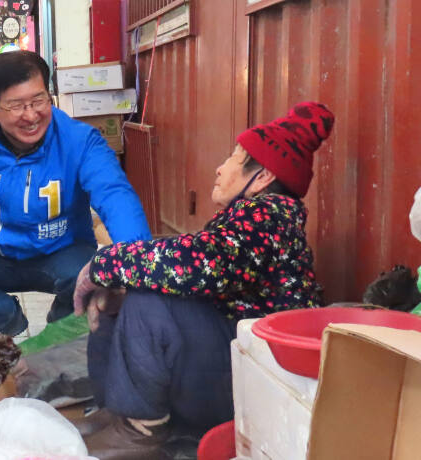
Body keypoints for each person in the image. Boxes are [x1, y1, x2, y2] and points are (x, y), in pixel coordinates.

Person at [72, 102, 335, 459]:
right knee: (120, 291)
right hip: (228, 359)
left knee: (150, 299)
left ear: (262, 177)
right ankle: (119, 413)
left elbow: (196, 265)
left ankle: (141, 430)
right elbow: (185, 256)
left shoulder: (269, 219)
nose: (220, 168)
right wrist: (114, 277)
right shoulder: (249, 217)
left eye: (233, 158)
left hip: (255, 380)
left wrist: (102, 264)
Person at [0, 51, 151, 337]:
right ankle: (1, 322)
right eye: (16, 106)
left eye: (39, 101)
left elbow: (114, 195)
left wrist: (138, 258)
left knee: (96, 272)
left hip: (61, 253)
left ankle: (60, 335)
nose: (31, 115)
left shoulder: (80, 140)